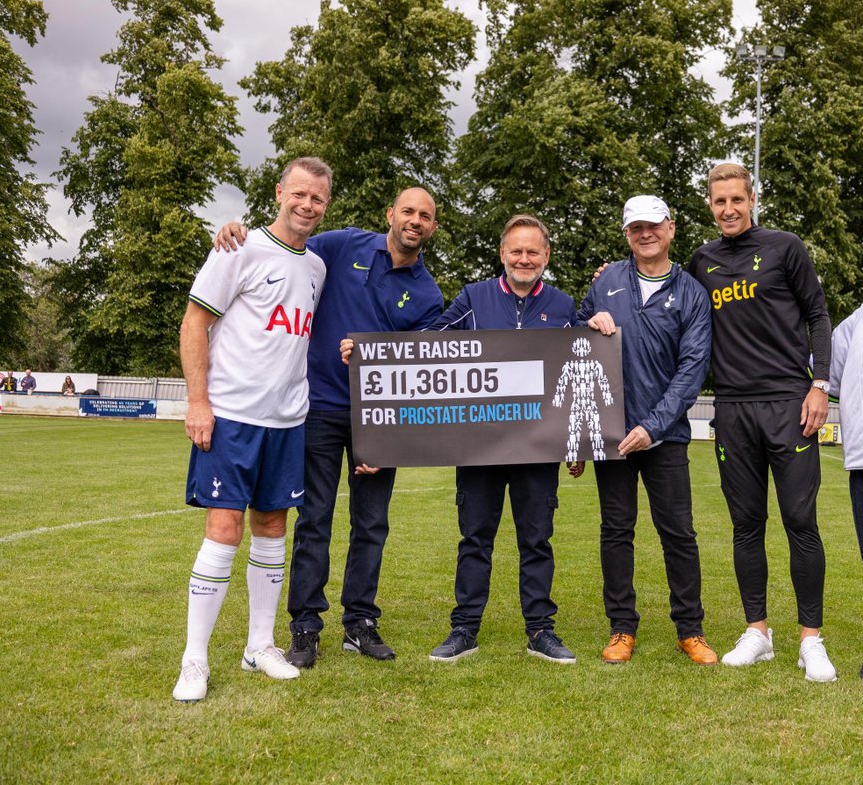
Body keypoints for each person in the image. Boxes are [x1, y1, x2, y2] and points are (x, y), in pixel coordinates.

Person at [214, 187, 444, 669]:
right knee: (313, 519)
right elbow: (285, 246)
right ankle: (305, 626)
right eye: (408, 211)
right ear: (390, 214)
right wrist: (241, 232)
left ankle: (359, 621)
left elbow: (418, 366)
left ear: (433, 227)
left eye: (425, 216)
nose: (415, 221)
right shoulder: (343, 245)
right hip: (316, 406)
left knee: (372, 524)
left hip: (378, 419)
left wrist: (391, 420)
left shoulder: (428, 294)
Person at [172, 157, 331, 703]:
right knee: (223, 530)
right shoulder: (238, 247)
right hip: (233, 416)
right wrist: (198, 402)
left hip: (287, 420)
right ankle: (195, 659)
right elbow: (195, 321)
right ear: (280, 191)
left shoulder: (316, 268)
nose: (307, 206)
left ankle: (260, 645)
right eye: (300, 194)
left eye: (318, 199)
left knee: (271, 527)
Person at [685, 163, 837, 681]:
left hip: (789, 406)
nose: (728, 209)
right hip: (731, 409)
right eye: (718, 201)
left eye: (736, 199)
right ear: (709, 205)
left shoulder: (784, 247)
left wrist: (820, 386)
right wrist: (611, 279)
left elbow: (818, 315)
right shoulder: (700, 261)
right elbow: (669, 305)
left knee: (800, 522)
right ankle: (758, 633)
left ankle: (811, 641)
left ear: (752, 199)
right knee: (746, 526)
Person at [425, 215, 579, 663]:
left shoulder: (564, 306)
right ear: (502, 253)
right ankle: (464, 629)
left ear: (546, 256)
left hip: (538, 447)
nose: (524, 259)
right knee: (474, 537)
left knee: (537, 540)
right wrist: (373, 354)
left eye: (533, 251)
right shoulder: (474, 297)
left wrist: (577, 443)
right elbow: (429, 343)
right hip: (480, 446)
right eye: (517, 251)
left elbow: (581, 374)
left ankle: (540, 630)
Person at [579, 195, 715, 665]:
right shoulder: (606, 283)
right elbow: (574, 348)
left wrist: (652, 427)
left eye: (653, 226)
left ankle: (690, 629)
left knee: (678, 532)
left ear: (671, 228)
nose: (645, 234)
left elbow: (691, 370)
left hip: (665, 436)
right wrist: (587, 320)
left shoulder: (693, 293)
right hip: (612, 435)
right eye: (635, 228)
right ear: (626, 234)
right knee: (616, 530)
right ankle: (621, 628)